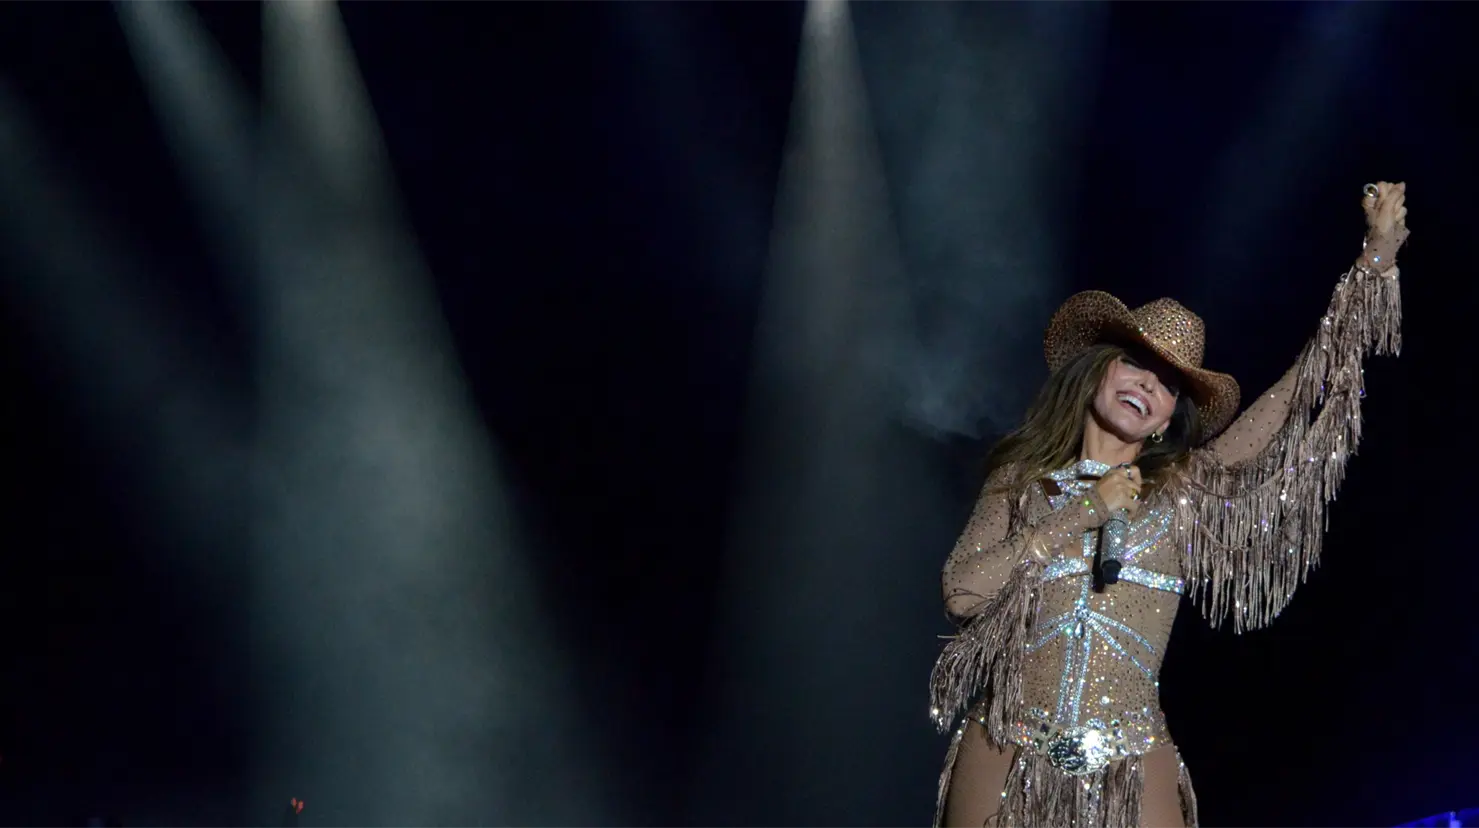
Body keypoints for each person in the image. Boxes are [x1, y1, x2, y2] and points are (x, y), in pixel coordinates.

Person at [930, 182, 1409, 828]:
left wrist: (1369, 266)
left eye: (1165, 386)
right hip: (1005, 745)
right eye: (1134, 364)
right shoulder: (1022, 481)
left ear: (1162, 423)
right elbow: (961, 592)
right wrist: (1080, 513)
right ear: (1098, 370)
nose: (1146, 386)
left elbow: (1294, 398)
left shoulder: (1183, 487)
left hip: (1130, 759)